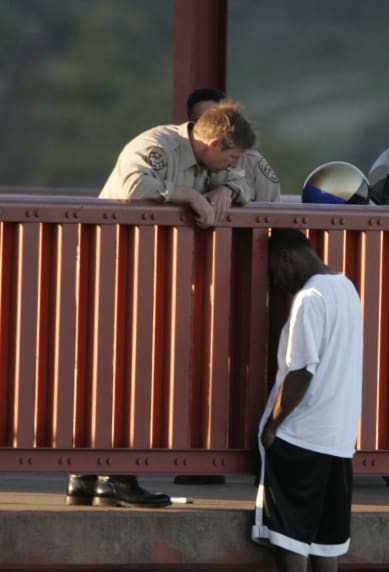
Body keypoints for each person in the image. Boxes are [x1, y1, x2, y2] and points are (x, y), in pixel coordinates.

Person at [66, 101, 257, 507]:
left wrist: (228, 188)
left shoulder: (217, 160)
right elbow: (133, 186)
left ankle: (93, 477)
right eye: (231, 156)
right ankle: (114, 478)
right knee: (120, 374)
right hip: (111, 268)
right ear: (212, 142)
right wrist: (184, 193)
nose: (233, 163)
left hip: (148, 277)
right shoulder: (157, 145)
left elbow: (259, 184)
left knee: (123, 373)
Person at [246, 228, 363, 572]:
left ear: (288, 257)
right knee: (325, 538)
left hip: (302, 434)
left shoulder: (309, 299)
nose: (274, 280)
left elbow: (301, 371)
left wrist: (274, 425)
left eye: (274, 269)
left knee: (288, 530)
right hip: (337, 438)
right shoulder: (346, 289)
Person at [173, 89, 280, 487]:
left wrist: (231, 190)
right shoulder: (172, 154)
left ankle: (218, 457)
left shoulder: (247, 160)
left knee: (227, 364)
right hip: (180, 280)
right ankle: (190, 457)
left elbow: (268, 196)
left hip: (228, 278)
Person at [186, 87, 280, 203]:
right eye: (201, 121)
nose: (209, 126)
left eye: (215, 120)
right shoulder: (179, 159)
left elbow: (270, 210)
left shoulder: (252, 163)